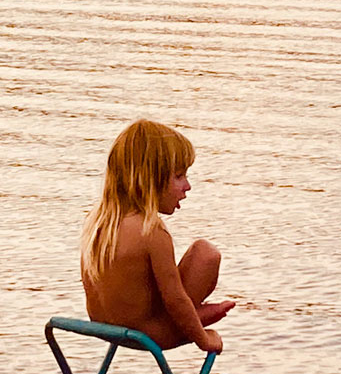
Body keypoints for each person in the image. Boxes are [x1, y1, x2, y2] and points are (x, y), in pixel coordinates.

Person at [81, 118, 234, 352]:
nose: (188, 186)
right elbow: (175, 300)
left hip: (103, 328)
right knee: (206, 253)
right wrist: (203, 339)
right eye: (180, 176)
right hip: (147, 335)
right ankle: (196, 319)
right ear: (151, 178)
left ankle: (199, 315)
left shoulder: (98, 222)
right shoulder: (151, 231)